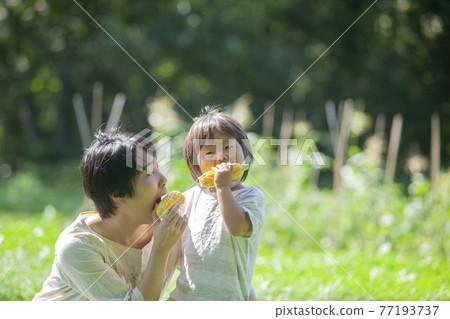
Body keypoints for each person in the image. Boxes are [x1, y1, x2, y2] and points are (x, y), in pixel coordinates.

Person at [33, 129, 187, 301]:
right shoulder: (78, 247)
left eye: (158, 169)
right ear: (117, 194)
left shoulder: (169, 230)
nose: (164, 179)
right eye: (149, 173)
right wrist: (160, 249)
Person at [169, 107, 265, 300]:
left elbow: (238, 228)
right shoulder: (189, 199)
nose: (221, 157)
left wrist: (222, 188)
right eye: (210, 152)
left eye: (228, 147)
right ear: (196, 165)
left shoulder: (250, 197)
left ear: (245, 153)